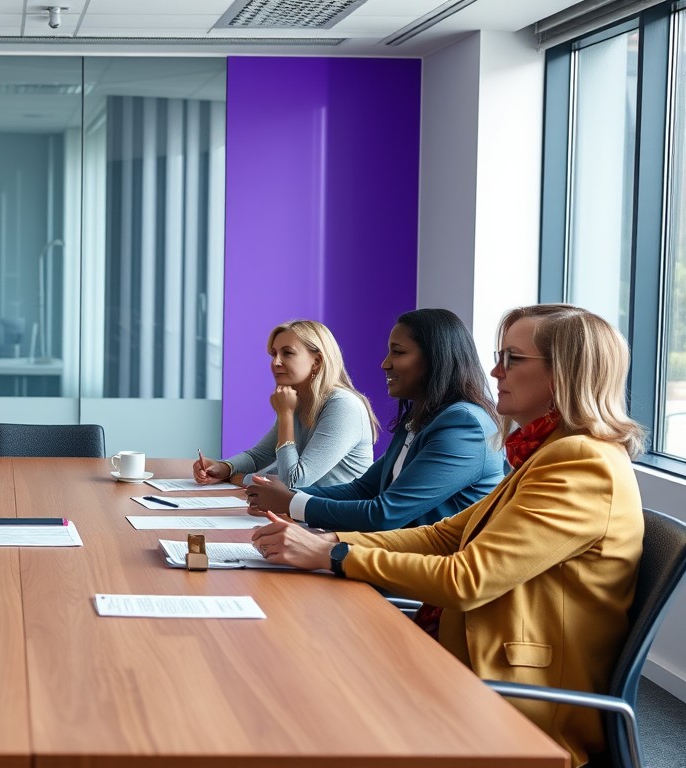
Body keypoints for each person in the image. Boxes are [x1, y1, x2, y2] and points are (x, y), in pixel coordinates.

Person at [250, 304, 644, 767]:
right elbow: (443, 537)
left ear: (565, 373)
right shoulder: (547, 453)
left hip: (517, 697)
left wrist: (334, 554)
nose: (495, 370)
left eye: (513, 359)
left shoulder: (581, 464)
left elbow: (466, 579)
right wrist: (326, 544)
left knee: (307, 699)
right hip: (469, 652)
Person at [244, 308, 505, 530]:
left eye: (398, 353)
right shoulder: (420, 418)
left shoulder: (464, 426)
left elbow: (384, 514)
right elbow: (362, 490)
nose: (384, 364)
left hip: (426, 577)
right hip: (387, 556)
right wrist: (286, 497)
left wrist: (292, 502)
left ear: (435, 359)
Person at [193, 319, 377, 488]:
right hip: (303, 513)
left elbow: (294, 481)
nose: (275, 362)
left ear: (317, 361)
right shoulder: (299, 400)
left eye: (287, 353)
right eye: (273, 354)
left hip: (337, 522)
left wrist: (245, 479)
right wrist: (224, 468)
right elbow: (259, 455)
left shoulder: (343, 406)